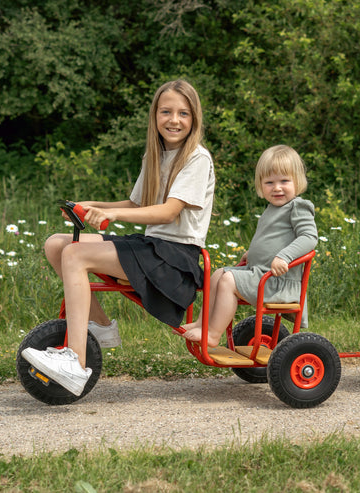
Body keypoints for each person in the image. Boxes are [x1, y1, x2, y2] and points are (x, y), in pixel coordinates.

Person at [22, 79, 215, 396]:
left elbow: (167, 212)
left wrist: (113, 217)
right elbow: (137, 205)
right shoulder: (155, 155)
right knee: (58, 244)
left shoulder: (196, 158)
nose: (174, 120)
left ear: (194, 119)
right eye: (166, 111)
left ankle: (75, 363)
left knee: (75, 254)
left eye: (183, 113)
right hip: (152, 249)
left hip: (175, 262)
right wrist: (91, 207)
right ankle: (100, 328)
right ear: (155, 115)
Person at [181, 145, 317, 348]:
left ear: (298, 182)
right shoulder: (272, 208)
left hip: (277, 281)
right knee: (218, 274)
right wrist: (251, 253)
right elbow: (271, 238)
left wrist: (284, 256)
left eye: (284, 181)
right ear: (260, 185)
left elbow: (309, 237)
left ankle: (213, 334)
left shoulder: (298, 207)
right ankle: (202, 323)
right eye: (269, 182)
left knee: (228, 281)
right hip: (259, 272)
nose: (277, 188)